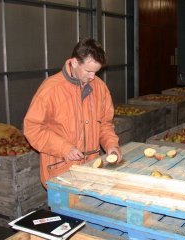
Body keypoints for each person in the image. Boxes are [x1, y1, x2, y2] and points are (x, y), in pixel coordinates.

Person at [24, 38, 122, 188]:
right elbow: (33, 128)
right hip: (61, 172)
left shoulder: (100, 88)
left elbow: (105, 124)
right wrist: (64, 148)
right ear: (75, 62)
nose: (92, 77)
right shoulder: (51, 89)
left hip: (91, 170)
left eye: (96, 72)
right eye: (88, 71)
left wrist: (111, 145)